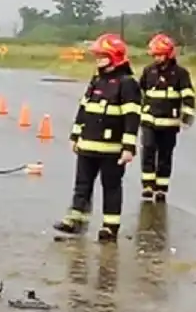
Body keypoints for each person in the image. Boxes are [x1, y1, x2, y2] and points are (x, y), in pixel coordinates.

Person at [53, 33, 141, 242]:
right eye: (98, 55)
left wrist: (128, 147)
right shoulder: (96, 80)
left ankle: (110, 228)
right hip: (88, 144)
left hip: (112, 149)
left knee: (111, 186)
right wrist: (75, 134)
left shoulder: (127, 83)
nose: (99, 60)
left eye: (103, 55)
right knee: (82, 184)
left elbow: (132, 117)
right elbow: (84, 109)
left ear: (116, 57)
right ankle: (76, 221)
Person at [139, 33, 195, 202]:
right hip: (149, 119)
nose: (157, 58)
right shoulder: (148, 71)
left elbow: (188, 95)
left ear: (169, 54)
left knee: (165, 154)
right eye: (154, 55)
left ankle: (161, 187)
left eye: (160, 55)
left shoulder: (180, 74)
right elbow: (139, 92)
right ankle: (148, 185)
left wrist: (187, 115)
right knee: (148, 149)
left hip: (169, 122)